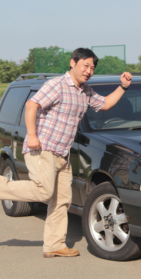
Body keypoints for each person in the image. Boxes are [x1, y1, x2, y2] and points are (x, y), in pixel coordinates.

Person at [0, 48, 132, 258]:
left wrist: (123, 87)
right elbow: (31, 104)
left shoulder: (85, 92)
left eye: (92, 67)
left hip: (62, 155)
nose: (88, 70)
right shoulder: (58, 85)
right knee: (44, 192)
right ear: (73, 63)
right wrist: (32, 135)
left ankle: (54, 244)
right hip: (43, 149)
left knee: (61, 200)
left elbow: (106, 104)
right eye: (85, 65)